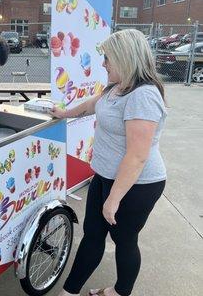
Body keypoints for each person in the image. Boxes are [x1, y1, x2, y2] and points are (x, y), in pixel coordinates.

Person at [52, 29, 167, 296]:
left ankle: (119, 291)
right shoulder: (116, 87)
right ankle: (69, 292)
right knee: (93, 235)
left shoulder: (144, 96)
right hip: (104, 176)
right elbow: (92, 106)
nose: (103, 63)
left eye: (107, 58)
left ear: (125, 59)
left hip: (136, 185)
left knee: (124, 240)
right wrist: (62, 113)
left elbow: (137, 155)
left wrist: (114, 199)